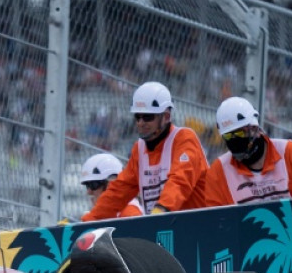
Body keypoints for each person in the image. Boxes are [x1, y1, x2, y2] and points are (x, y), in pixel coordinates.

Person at [81, 81, 208, 221]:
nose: (141, 122)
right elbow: (119, 190)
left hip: (199, 227)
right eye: (137, 117)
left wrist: (161, 209)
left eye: (148, 117)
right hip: (164, 227)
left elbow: (180, 180)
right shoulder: (139, 149)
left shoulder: (184, 139)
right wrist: (86, 222)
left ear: (166, 116)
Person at [203, 96, 292, 207]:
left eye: (239, 133)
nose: (234, 139)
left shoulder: (289, 153)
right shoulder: (218, 172)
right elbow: (216, 219)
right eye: (228, 135)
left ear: (255, 128)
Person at [79, 153, 143, 218]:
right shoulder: (112, 212)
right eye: (87, 185)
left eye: (93, 185)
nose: (89, 192)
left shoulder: (129, 212)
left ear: (111, 184)